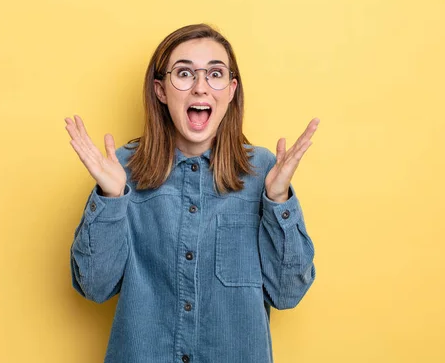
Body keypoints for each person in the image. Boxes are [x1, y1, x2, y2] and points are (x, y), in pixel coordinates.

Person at [64, 23, 319, 363]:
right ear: (161, 90)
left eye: (215, 74)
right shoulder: (121, 168)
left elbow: (287, 293)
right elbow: (95, 287)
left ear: (231, 90)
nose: (200, 87)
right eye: (184, 73)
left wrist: (278, 201)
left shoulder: (263, 171)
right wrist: (111, 198)